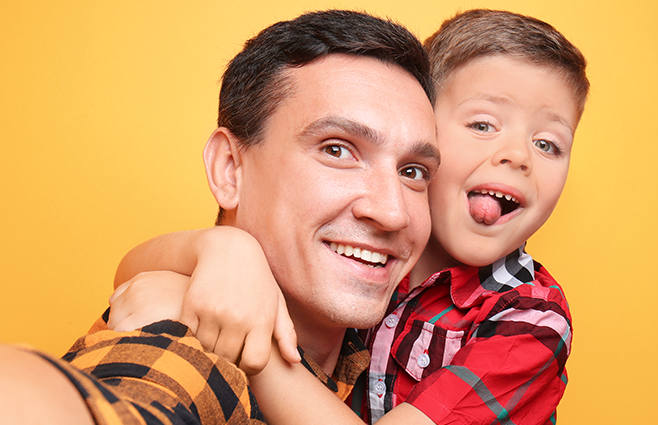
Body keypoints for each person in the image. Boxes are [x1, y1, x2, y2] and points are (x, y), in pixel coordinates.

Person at [112, 9, 589, 425]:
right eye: (482, 125)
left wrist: (250, 349)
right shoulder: (357, 264)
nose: (518, 157)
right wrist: (217, 250)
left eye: (548, 144)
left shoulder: (530, 318)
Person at [0, 9, 440, 424]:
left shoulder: (412, 331)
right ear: (230, 169)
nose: (392, 211)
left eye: (413, 172)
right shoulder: (185, 351)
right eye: (337, 149)